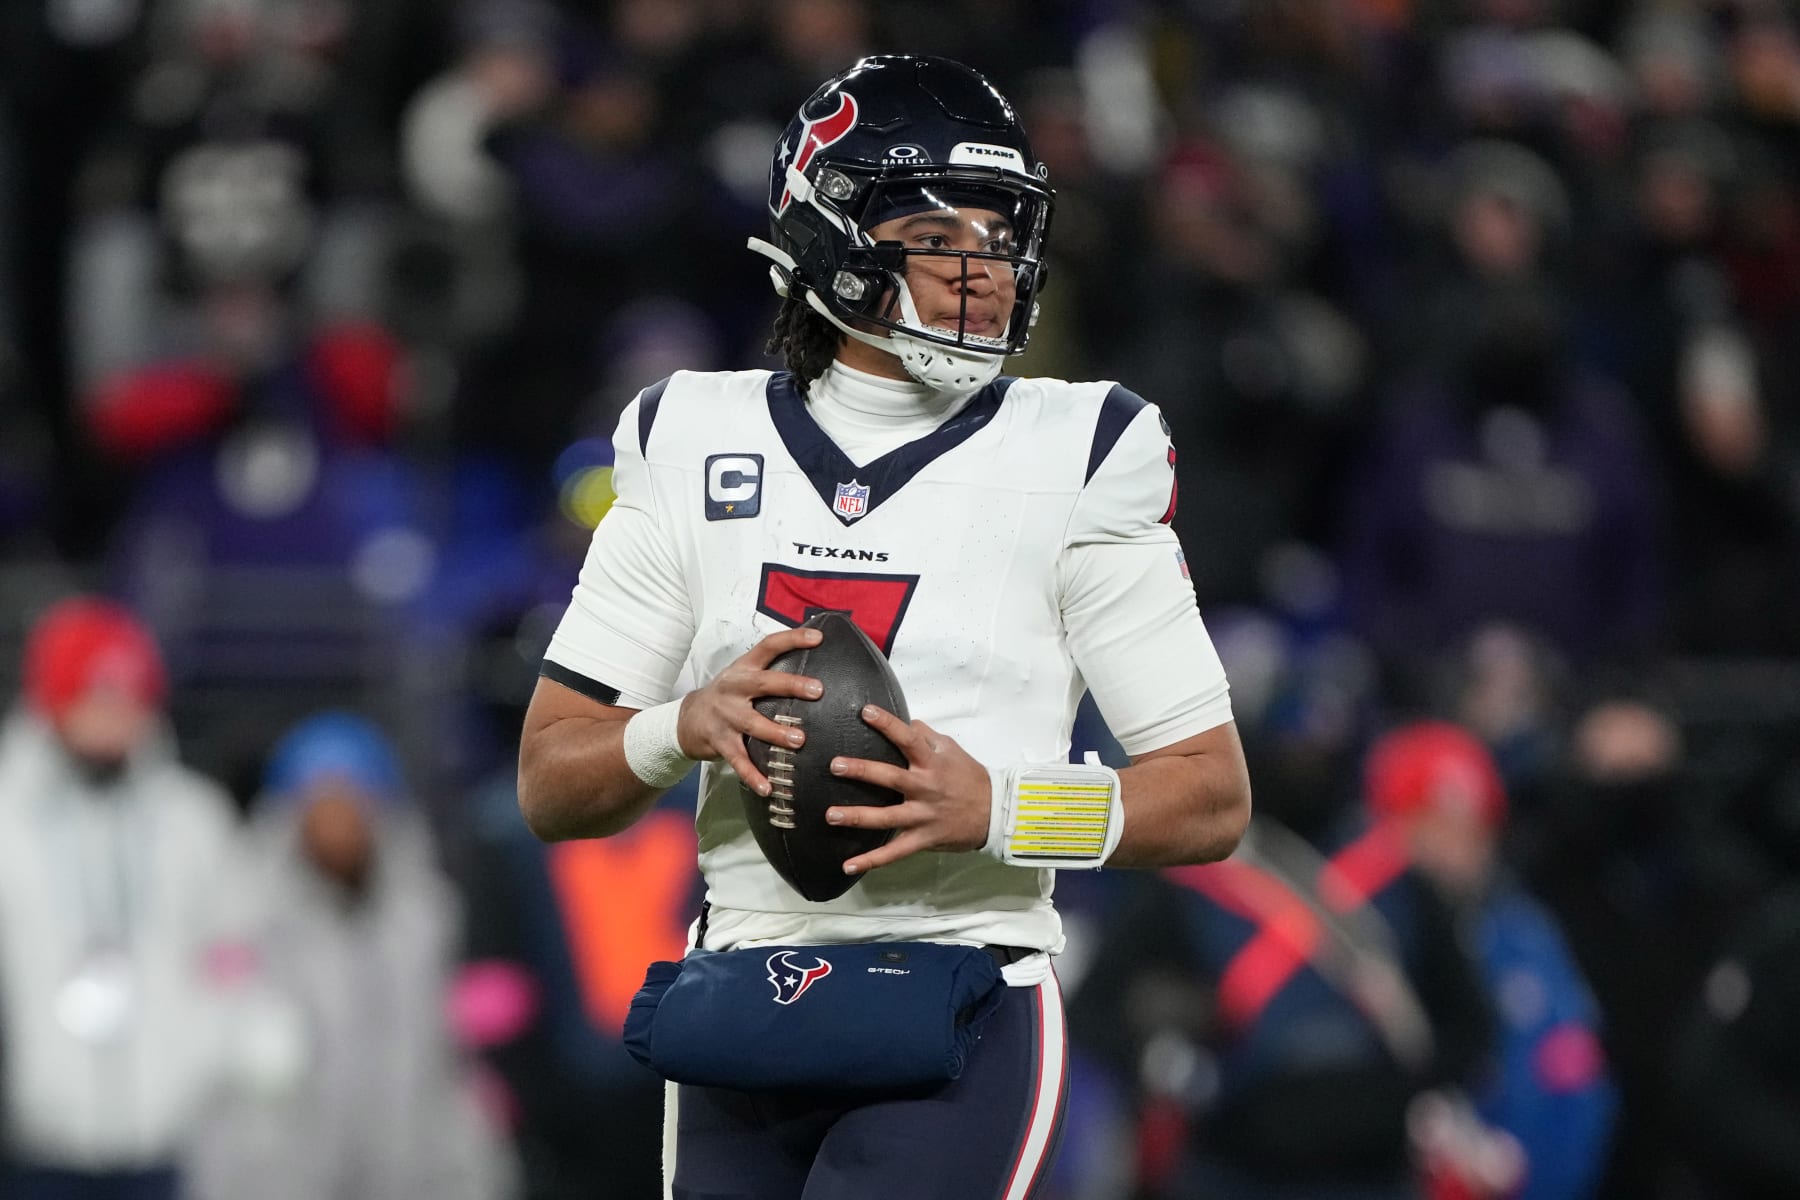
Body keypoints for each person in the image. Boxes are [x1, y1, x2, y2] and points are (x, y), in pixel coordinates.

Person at [515, 54, 1252, 1200]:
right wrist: (683, 725)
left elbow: (1210, 795)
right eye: (936, 228)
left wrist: (998, 808)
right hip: (742, 993)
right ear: (828, 236)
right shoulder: (689, 436)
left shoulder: (1084, 451)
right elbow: (553, 784)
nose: (985, 265)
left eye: (999, 230)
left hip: (964, 991)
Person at [184, 711, 517, 1200]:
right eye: (320, 805)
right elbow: (225, 1101)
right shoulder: (251, 926)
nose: (338, 823)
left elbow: (446, 1078)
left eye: (353, 802)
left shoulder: (423, 921)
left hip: (408, 1174)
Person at [0, 596, 245, 1200]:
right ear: (51, 700)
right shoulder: (6, 821)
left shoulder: (194, 819)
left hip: (163, 1143)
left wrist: (207, 1059)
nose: (113, 716)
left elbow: (233, 955)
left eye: (127, 695)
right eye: (93, 693)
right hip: (31, 1146)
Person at [1364, 721, 1615, 1200]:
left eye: (1470, 832)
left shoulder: (1524, 937)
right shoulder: (1346, 940)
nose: (1452, 854)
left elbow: (1577, 1081)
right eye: (1429, 829)